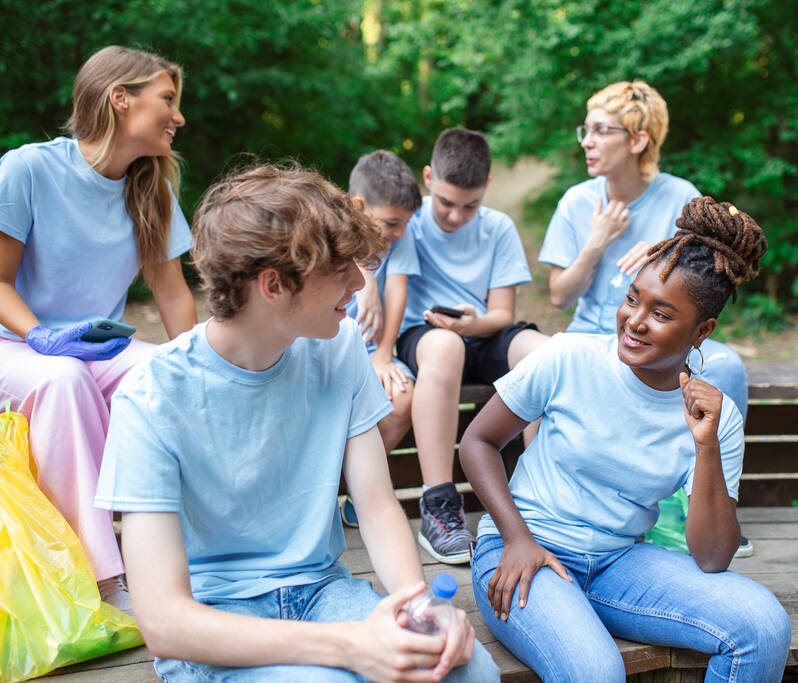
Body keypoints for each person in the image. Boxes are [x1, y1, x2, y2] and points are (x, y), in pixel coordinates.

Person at [94, 164, 498, 682]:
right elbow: (165, 622)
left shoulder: (340, 346)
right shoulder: (151, 396)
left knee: (465, 669)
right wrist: (351, 647)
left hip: (325, 593)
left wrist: (417, 613)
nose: (358, 283)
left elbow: (375, 505)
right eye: (340, 270)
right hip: (219, 620)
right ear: (274, 285)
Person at [460, 197, 791, 682]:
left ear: (702, 331)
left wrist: (707, 447)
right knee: (597, 672)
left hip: (620, 562)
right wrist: (516, 537)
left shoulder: (714, 416)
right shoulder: (568, 357)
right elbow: (478, 441)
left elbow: (713, 556)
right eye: (633, 298)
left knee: (763, 625)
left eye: (661, 314)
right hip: (523, 548)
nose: (634, 321)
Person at [0, 45, 197, 614]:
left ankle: (178, 558)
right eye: (167, 100)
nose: (178, 117)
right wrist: (39, 336)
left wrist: (192, 367)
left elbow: (174, 295)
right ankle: (104, 582)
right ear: (120, 99)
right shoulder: (29, 168)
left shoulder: (152, 188)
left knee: (166, 373)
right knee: (62, 379)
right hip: (18, 346)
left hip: (93, 353)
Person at [540, 80, 754, 557]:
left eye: (601, 131)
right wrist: (595, 244)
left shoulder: (682, 198)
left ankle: (708, 504)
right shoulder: (577, 203)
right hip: (596, 334)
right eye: (585, 130)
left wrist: (660, 255)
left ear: (638, 141)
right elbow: (558, 296)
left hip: (665, 342)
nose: (587, 142)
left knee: (728, 366)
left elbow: (709, 282)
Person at [396, 128, 548, 565]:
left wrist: (475, 323)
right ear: (428, 177)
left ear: (487, 189)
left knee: (546, 353)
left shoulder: (498, 228)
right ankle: (439, 505)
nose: (457, 216)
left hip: (480, 330)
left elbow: (502, 311)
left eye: (470, 205)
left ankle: (541, 500)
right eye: (446, 203)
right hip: (428, 337)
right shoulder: (409, 222)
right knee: (446, 347)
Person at [339, 150, 422, 528]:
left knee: (403, 395)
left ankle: (360, 488)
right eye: (391, 222)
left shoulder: (399, 241)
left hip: (373, 349)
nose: (399, 232)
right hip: (327, 350)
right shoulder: (328, 228)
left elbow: (398, 294)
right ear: (358, 206)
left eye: (405, 223)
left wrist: (385, 354)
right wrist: (364, 274)